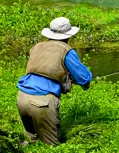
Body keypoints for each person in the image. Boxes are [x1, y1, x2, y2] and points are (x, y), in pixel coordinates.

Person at [16, 17, 93, 146]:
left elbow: (44, 70)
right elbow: (84, 78)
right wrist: (86, 81)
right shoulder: (66, 51)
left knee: (31, 140)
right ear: (68, 35)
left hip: (22, 97)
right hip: (42, 102)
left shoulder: (36, 47)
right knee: (51, 147)